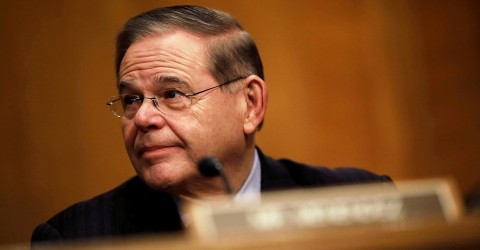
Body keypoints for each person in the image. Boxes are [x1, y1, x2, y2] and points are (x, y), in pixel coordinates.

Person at [31, 5, 391, 243]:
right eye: (131, 99)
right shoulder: (76, 238)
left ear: (250, 104)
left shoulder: (363, 203)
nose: (142, 118)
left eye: (172, 93)